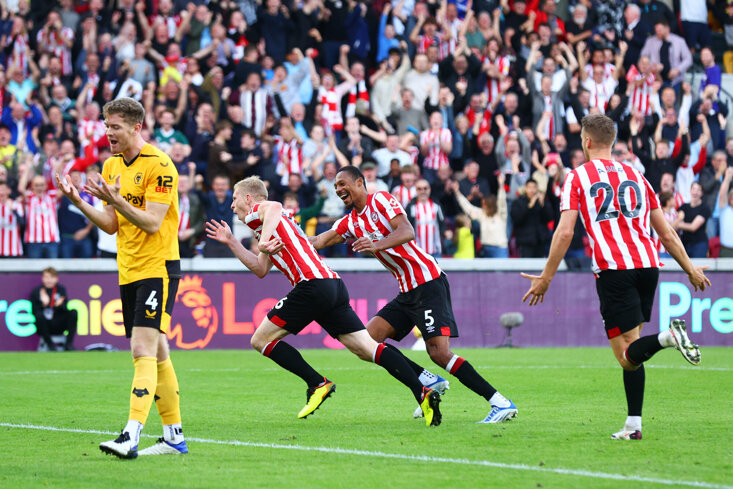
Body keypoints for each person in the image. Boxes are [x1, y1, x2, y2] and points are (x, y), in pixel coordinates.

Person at [521, 114, 710, 440]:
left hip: (614, 269)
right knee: (634, 351)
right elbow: (665, 232)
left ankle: (669, 337)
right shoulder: (638, 175)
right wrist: (690, 268)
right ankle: (633, 425)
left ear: (587, 141)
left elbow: (565, 232)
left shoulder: (577, 177)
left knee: (625, 357)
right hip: (648, 266)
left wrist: (546, 278)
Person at [204, 176, 442, 426]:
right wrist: (232, 241)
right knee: (366, 348)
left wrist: (263, 241)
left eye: (234, 199)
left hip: (312, 285)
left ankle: (317, 383)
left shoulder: (262, 211)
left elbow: (274, 206)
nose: (232, 206)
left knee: (260, 340)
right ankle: (423, 392)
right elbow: (260, 268)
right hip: (331, 285)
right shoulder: (269, 226)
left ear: (248, 198)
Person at [310, 166, 517, 423]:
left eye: (343, 184)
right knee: (368, 341)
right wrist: (286, 239)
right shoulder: (350, 222)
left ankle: (499, 402)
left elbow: (407, 231)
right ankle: (429, 381)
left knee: (439, 354)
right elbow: (319, 241)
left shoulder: (382, 200)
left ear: (360, 182)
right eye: (336, 186)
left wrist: (375, 245)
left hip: (428, 282)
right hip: (407, 290)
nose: (339, 189)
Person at [56, 98, 187, 458]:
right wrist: (80, 201)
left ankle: (131, 434)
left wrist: (117, 200)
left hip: (158, 267)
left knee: (141, 349)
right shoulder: (111, 165)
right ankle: (174, 437)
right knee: (158, 352)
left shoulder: (160, 165)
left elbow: (152, 222)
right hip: (128, 267)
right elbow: (113, 225)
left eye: (115, 126)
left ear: (136, 127)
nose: (108, 132)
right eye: (106, 125)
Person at [30, 267, 77, 351]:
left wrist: (59, 305)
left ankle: (68, 345)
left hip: (58, 323)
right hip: (45, 325)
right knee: (39, 316)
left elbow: (65, 310)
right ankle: (50, 345)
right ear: (43, 278)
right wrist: (44, 305)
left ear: (56, 279)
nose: (49, 280)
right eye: (46, 277)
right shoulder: (37, 291)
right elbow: (34, 312)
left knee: (73, 312)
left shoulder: (61, 290)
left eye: (51, 277)